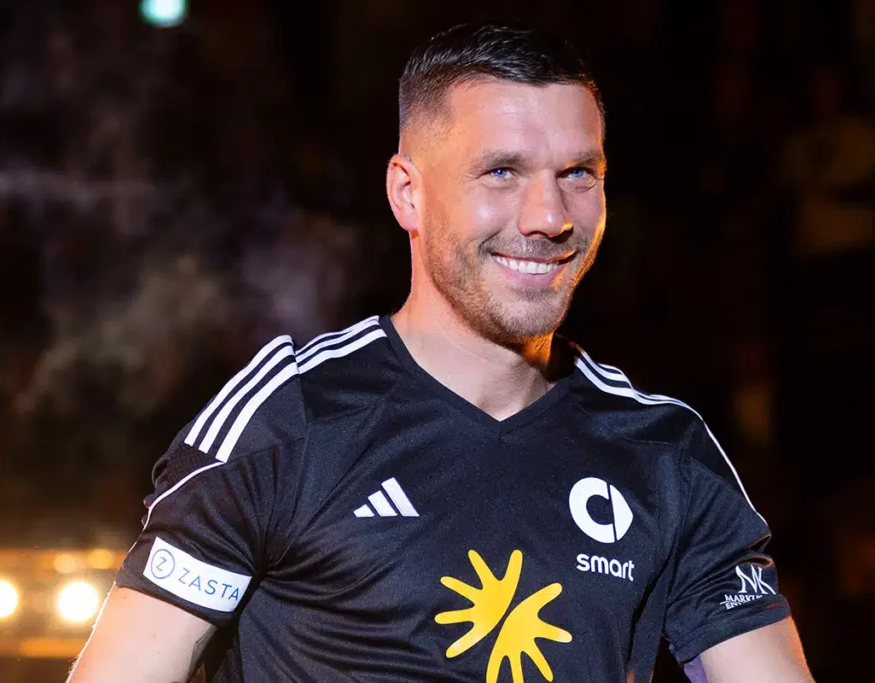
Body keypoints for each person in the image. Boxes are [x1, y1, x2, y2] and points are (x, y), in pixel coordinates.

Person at [68, 23, 813, 683]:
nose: (549, 217)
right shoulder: (291, 417)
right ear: (408, 194)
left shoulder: (666, 453)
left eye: (578, 174)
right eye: (502, 172)